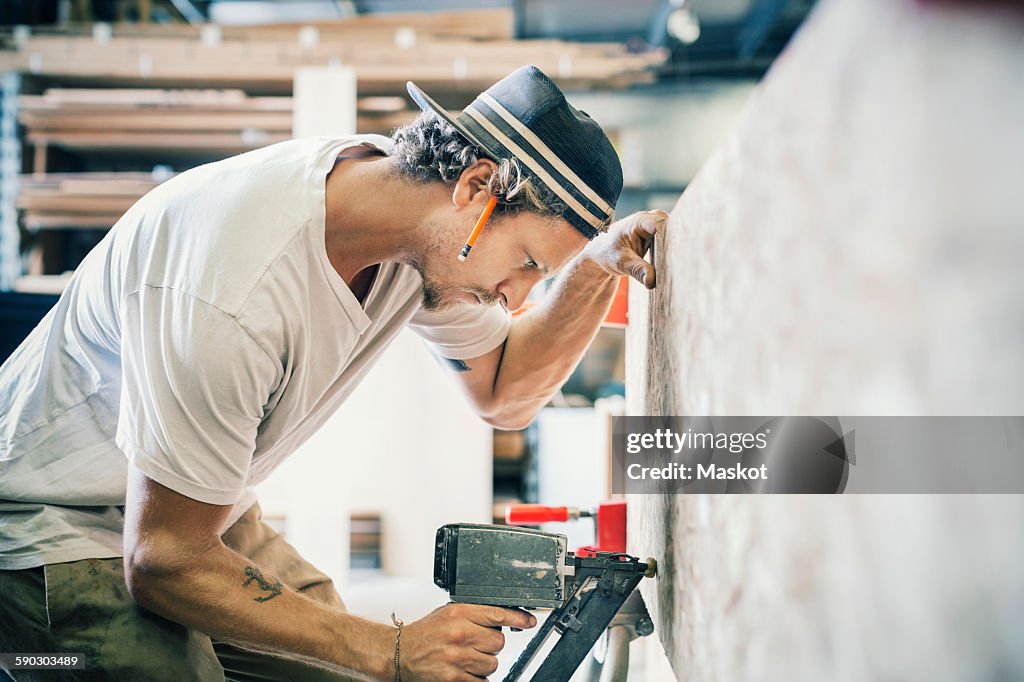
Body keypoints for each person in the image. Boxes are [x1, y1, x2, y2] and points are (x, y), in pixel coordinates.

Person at [0, 65, 664, 680]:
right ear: (474, 188)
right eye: (525, 265)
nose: (514, 299)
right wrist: (392, 648)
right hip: (47, 521)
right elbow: (165, 559)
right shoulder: (234, 292)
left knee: (343, 668)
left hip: (188, 502)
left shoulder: (412, 225)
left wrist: (593, 270)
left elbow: (505, 389)